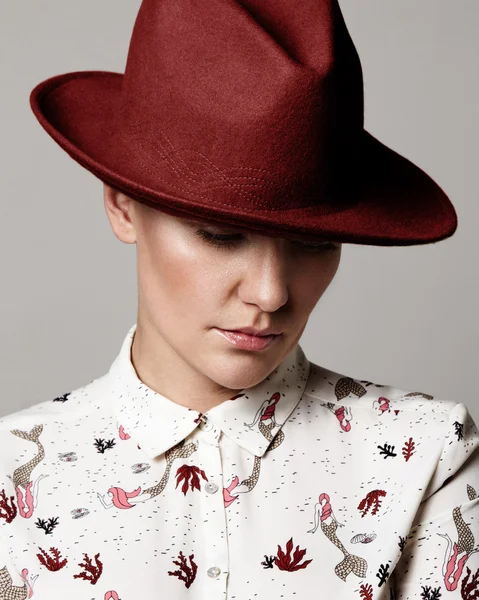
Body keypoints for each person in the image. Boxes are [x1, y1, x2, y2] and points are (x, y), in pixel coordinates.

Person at [1, 0, 478, 598]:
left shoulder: (423, 455)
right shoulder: (14, 479)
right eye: (221, 236)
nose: (272, 293)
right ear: (123, 204)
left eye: (313, 242)